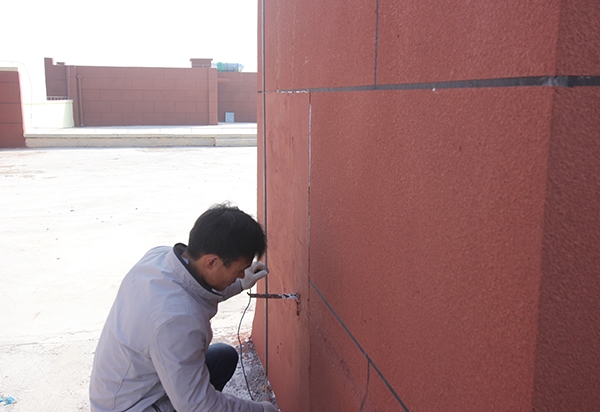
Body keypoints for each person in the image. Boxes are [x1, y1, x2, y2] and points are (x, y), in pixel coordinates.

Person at [90, 204, 278, 412]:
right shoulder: (177, 322)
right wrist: (261, 410)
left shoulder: (159, 258)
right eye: (239, 270)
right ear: (212, 262)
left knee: (223, 357)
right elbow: (198, 406)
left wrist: (239, 284)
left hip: (126, 387)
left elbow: (193, 289)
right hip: (133, 406)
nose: (242, 275)